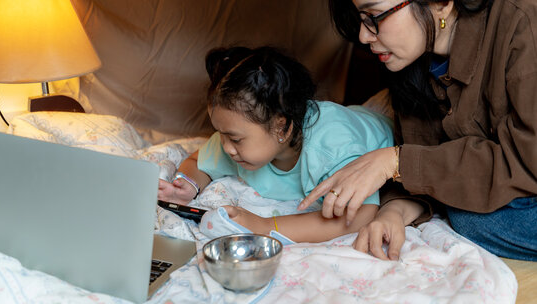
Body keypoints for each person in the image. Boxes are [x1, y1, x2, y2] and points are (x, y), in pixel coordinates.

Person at [298, 0, 537, 261]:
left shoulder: (523, 8)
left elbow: (527, 160)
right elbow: (430, 160)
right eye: (360, 18)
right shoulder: (411, 61)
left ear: (439, 0)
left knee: (473, 218)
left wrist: (394, 162)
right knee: (468, 213)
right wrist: (393, 212)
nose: (364, 35)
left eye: (375, 16)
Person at [158, 46, 394, 245]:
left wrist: (264, 225)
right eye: (221, 134)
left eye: (235, 139)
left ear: (281, 127)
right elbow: (197, 161)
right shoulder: (236, 141)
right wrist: (188, 185)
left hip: (376, 125)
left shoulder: (331, 148)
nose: (226, 147)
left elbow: (361, 215)